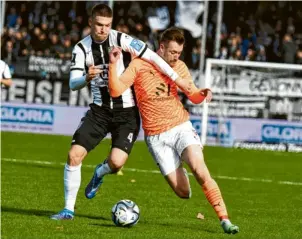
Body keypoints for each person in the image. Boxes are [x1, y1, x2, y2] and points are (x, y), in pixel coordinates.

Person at [50, 4, 190, 220]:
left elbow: (152, 56)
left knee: (116, 163)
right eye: (98, 24)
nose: (103, 29)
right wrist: (86, 78)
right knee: (74, 155)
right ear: (90, 23)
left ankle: (99, 173)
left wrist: (177, 78)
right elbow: (72, 83)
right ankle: (68, 209)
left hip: (127, 113)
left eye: (107, 25)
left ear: (111, 24)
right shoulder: (81, 49)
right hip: (99, 111)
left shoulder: (122, 40)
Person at [107, 27, 239, 234]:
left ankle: (225, 220)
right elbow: (115, 90)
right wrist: (113, 65)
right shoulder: (139, 65)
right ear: (161, 48)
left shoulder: (180, 67)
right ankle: (180, 167)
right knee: (183, 192)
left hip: (180, 127)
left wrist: (202, 94)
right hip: (156, 138)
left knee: (200, 169)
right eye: (173, 52)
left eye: (179, 53)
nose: (176, 57)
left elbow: (193, 94)